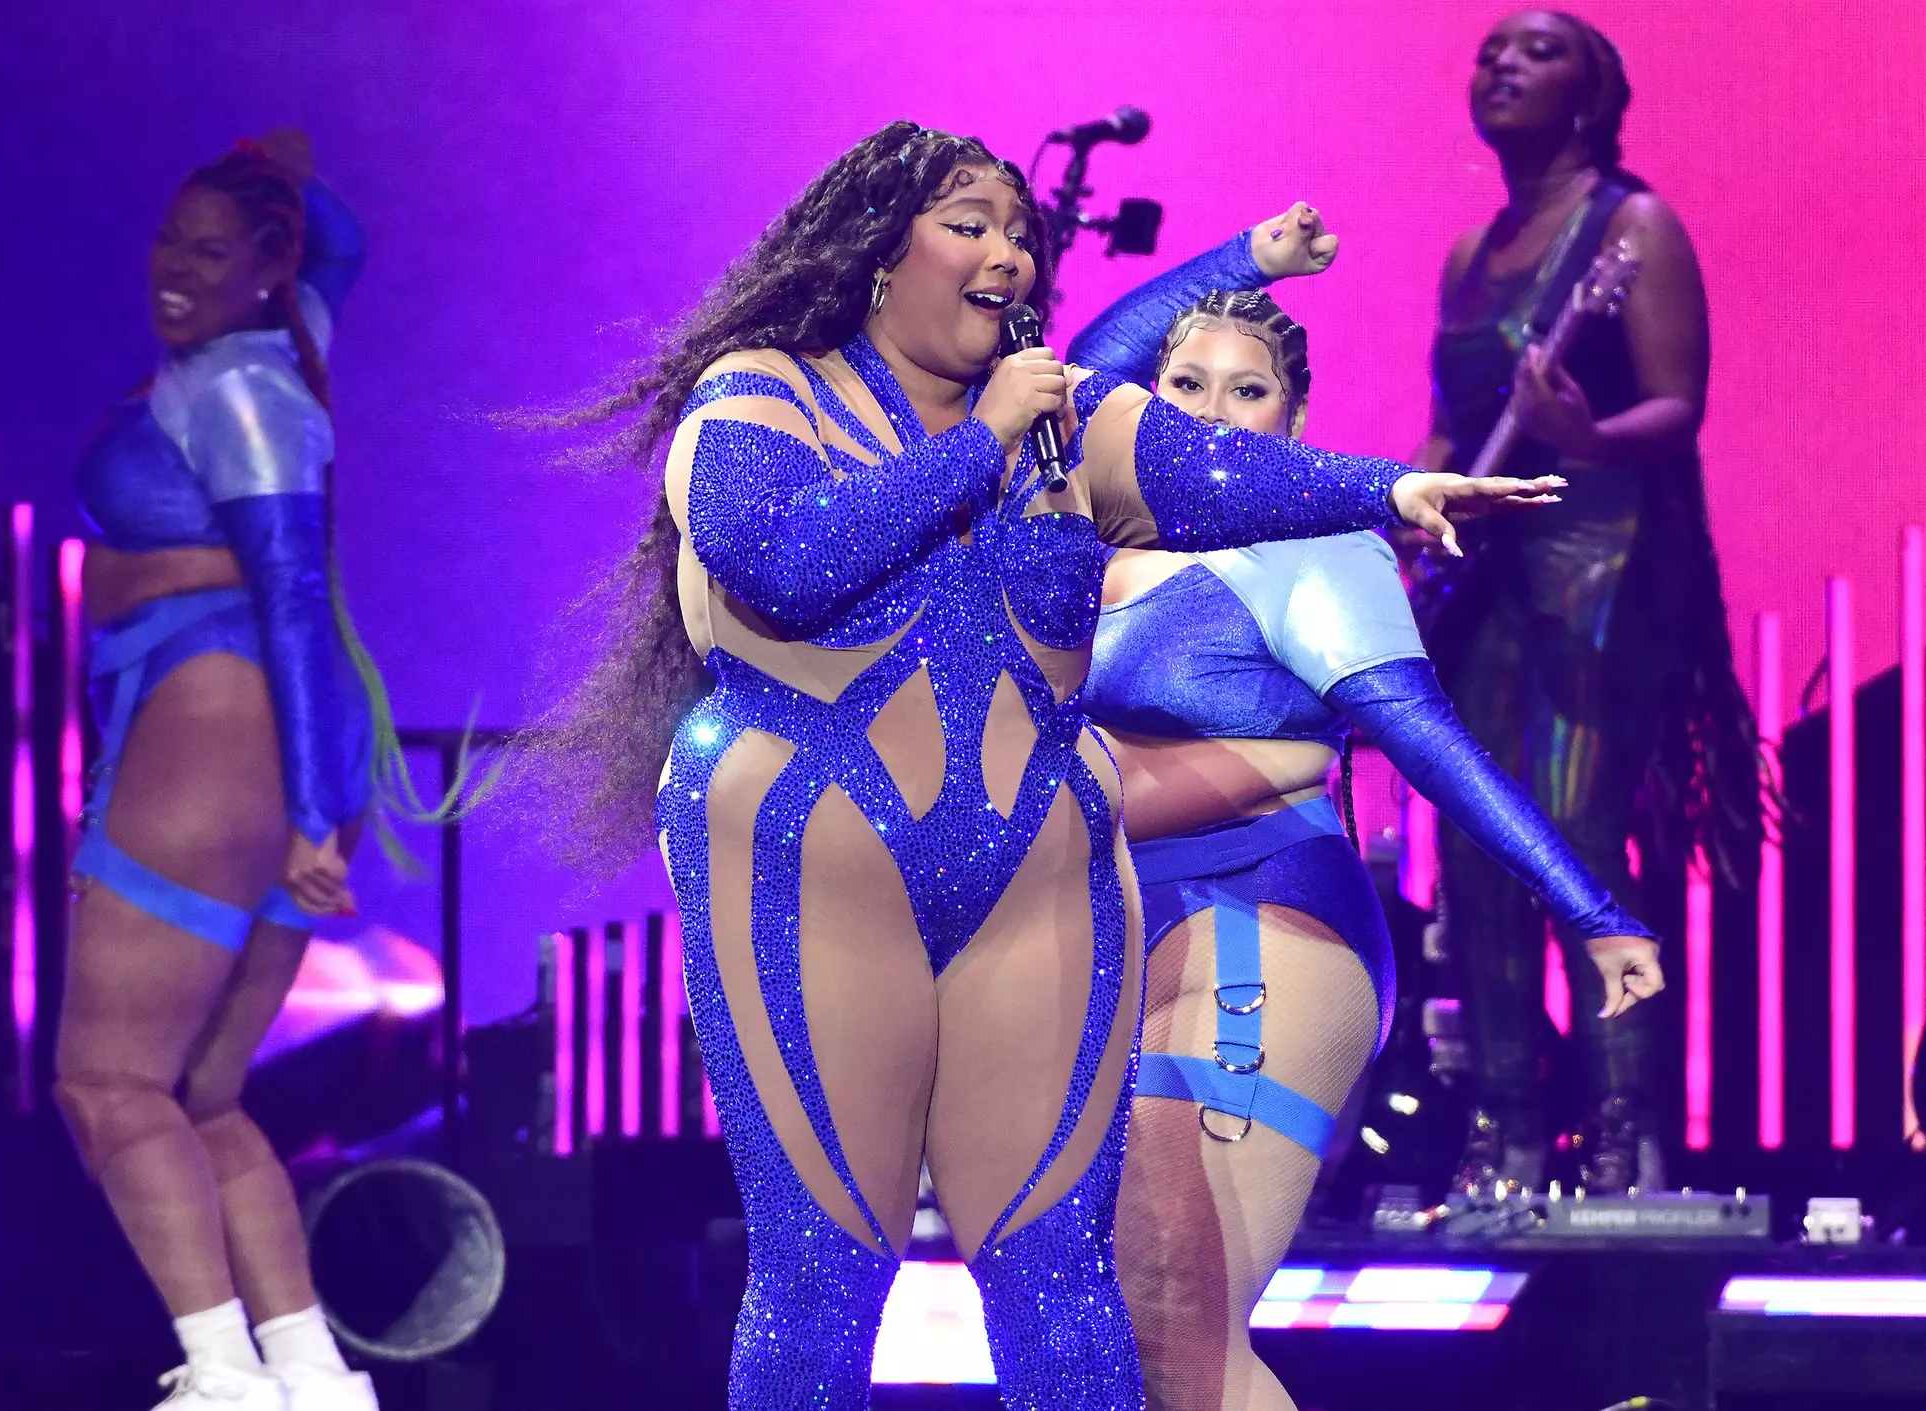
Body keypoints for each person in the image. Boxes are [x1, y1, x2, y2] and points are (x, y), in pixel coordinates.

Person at [530, 120, 1554, 1410]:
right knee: (824, 1273)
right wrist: (978, 443)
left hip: (1035, 873)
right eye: (969, 223)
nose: (1007, 253)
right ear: (874, 249)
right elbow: (779, 562)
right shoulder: (759, 395)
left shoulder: (1070, 429)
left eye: (1020, 233)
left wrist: (1393, 491)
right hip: (817, 855)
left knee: (1060, 1275)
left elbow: (1219, 471)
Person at [1069, 245, 1661, 1408]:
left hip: (1260, 926)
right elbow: (1088, 368)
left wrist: (1588, 910)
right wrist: (1252, 256)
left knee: (1178, 1335)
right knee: (1134, 1348)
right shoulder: (1102, 539)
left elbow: (1432, 744)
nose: (1214, 413)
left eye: (1250, 391)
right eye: (1186, 385)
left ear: (1295, 420)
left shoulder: (1314, 549)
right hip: (1118, 939)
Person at [57, 130, 392, 1411]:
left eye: (210, 249)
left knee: (105, 1083)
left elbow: (296, 597)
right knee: (203, 1091)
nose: (174, 271)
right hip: (242, 734)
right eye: (167, 242)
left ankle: (220, 1374)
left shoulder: (247, 394)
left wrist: (313, 819)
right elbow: (344, 243)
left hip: (219, 729)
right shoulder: (278, 335)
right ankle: (306, 1372)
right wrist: (283, 176)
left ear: (262, 266)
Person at [1412, 10, 1761, 1191]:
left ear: (1592, 94)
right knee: (1474, 847)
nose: (1499, 61)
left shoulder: (1633, 226)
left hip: (1603, 571)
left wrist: (1586, 436)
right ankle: (1505, 1127)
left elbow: (1678, 406)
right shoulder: (1471, 255)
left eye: (1536, 48)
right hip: (1489, 580)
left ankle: (1623, 1126)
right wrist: (1407, 507)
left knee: (1575, 837)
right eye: (1487, 48)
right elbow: (1450, 429)